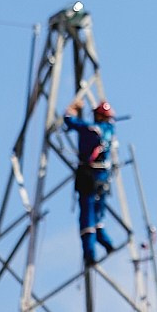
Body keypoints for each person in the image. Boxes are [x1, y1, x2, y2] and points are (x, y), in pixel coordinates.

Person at [63, 97, 119, 264]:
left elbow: (70, 121)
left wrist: (72, 108)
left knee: (87, 217)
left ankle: (90, 256)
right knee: (98, 216)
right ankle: (107, 243)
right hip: (103, 178)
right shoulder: (110, 130)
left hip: (89, 177)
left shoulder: (92, 130)